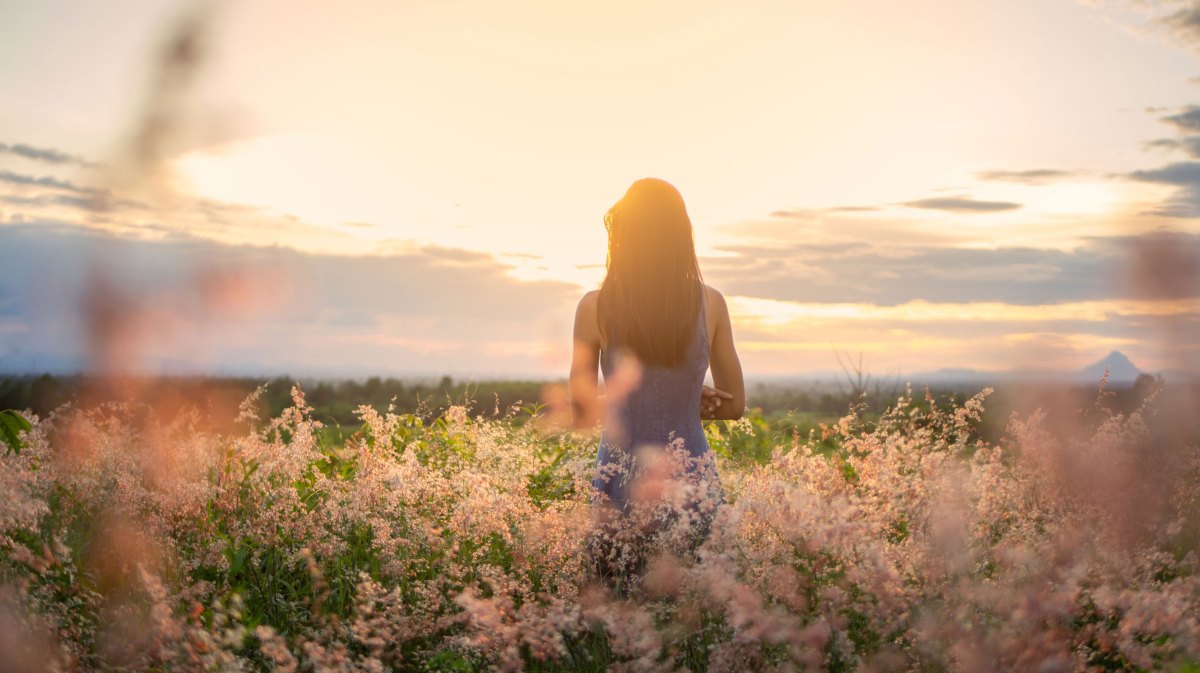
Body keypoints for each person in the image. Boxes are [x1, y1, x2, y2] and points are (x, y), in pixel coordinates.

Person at [569, 178, 744, 585]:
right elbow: (735, 405)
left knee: (619, 604)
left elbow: (579, 411)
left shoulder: (594, 307)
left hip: (620, 474)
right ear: (682, 234)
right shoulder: (711, 303)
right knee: (695, 607)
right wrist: (685, 393)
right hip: (692, 479)